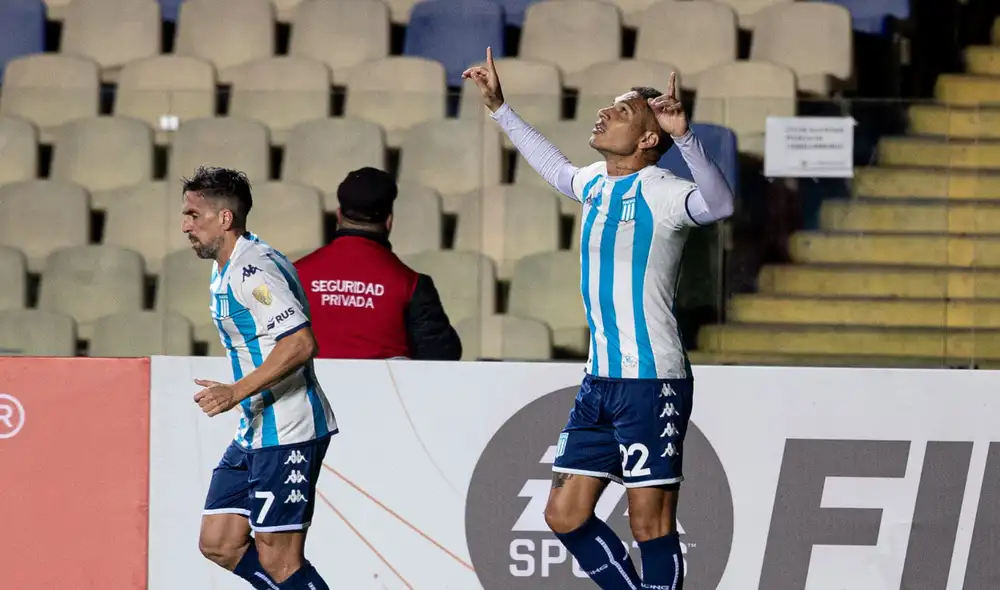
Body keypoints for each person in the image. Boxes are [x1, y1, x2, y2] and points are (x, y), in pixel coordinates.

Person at [464, 47, 735, 589]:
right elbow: (554, 167)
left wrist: (685, 137)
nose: (605, 113)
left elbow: (720, 206)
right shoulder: (593, 181)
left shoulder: (663, 192)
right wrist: (499, 108)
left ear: (648, 138)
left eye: (622, 111)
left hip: (651, 380)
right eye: (609, 106)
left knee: (649, 524)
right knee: (564, 514)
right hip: (599, 381)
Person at [180, 166, 337, 590]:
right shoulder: (229, 265)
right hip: (255, 429)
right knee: (219, 542)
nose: (185, 226)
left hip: (288, 429)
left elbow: (300, 342)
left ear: (224, 218)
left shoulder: (254, 271)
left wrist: (235, 392)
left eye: (193, 216)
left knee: (280, 561)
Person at [295, 167, 462, 361]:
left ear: (339, 216)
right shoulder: (411, 284)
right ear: (389, 221)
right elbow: (442, 356)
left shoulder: (294, 274)